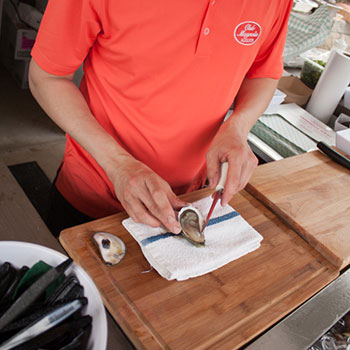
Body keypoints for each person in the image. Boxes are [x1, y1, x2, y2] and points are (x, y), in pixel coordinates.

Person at [29, 0, 293, 237]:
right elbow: (47, 77)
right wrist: (118, 164)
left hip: (194, 197)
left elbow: (263, 72)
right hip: (95, 194)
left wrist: (238, 126)